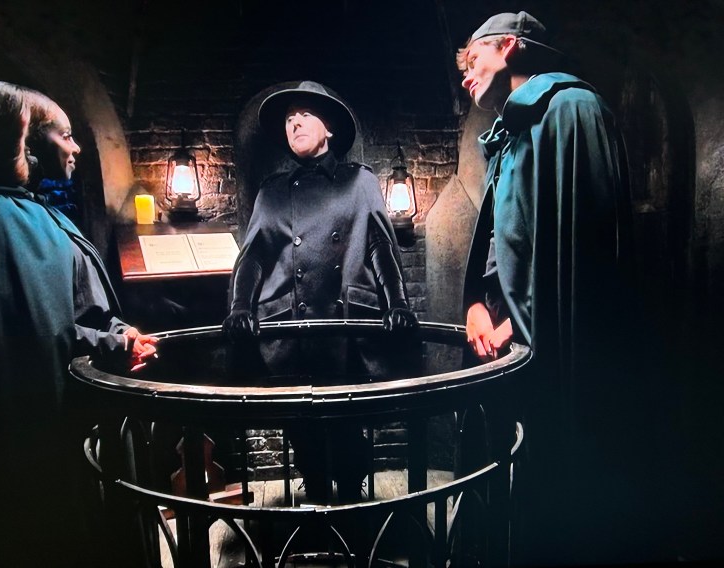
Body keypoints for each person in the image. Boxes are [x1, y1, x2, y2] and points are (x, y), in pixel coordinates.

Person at [0, 81, 156, 567]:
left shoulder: (20, 210)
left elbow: (65, 313)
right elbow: (32, 339)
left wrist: (119, 336)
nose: (76, 148)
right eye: (65, 135)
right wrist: (114, 346)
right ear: (25, 136)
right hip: (38, 448)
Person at [457, 11, 645, 565]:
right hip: (504, 333)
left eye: (473, 59)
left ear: (510, 46)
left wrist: (521, 324)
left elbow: (585, 248)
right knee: (502, 471)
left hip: (551, 339)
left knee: (547, 479)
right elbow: (501, 238)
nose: (465, 75)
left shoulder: (572, 109)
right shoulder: (511, 133)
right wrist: (476, 304)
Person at [223, 80, 417, 502]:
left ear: (329, 127)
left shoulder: (359, 182)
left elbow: (380, 245)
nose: (294, 123)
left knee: (347, 425)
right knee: (302, 425)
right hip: (292, 329)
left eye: (305, 115)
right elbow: (252, 256)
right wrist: (240, 305)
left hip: (344, 329)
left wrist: (397, 301)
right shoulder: (272, 192)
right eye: (289, 119)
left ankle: (350, 502)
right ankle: (314, 498)